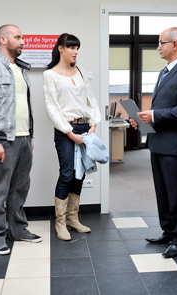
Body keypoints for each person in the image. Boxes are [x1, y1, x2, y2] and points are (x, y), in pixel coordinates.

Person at [130, 27, 177, 258]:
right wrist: (145, 119)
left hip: (174, 145)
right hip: (158, 141)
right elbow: (164, 107)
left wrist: (155, 116)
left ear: (176, 45)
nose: (158, 47)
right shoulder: (165, 71)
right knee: (163, 192)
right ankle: (168, 231)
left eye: (161, 43)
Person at [0, 24, 42, 255]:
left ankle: (17, 230)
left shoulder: (21, 69)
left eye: (22, 37)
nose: (23, 41)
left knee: (20, 188)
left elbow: (24, 106)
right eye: (18, 37)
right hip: (3, 139)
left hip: (24, 138)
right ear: (3, 40)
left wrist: (29, 135)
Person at [43, 33, 101, 241]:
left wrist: (93, 124)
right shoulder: (50, 75)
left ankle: (72, 219)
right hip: (65, 130)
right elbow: (52, 108)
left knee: (80, 174)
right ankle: (60, 223)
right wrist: (69, 132)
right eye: (71, 47)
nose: (75, 51)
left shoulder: (81, 72)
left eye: (77, 48)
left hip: (85, 127)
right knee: (67, 173)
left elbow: (90, 99)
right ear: (60, 48)